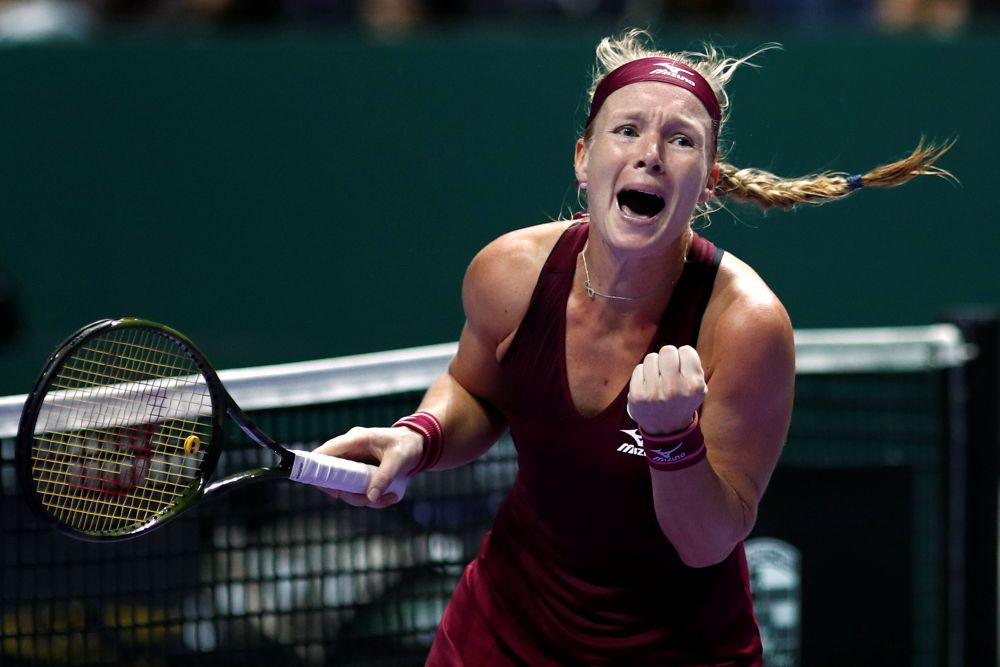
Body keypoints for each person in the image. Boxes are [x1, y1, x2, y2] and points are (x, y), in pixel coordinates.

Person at [314, 28, 953, 666]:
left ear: (707, 182)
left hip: (677, 649)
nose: (650, 153)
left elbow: (706, 542)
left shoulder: (745, 326)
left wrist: (673, 440)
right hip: (503, 630)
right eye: (626, 131)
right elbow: (476, 391)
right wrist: (420, 436)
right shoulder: (508, 272)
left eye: (681, 140)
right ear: (582, 158)